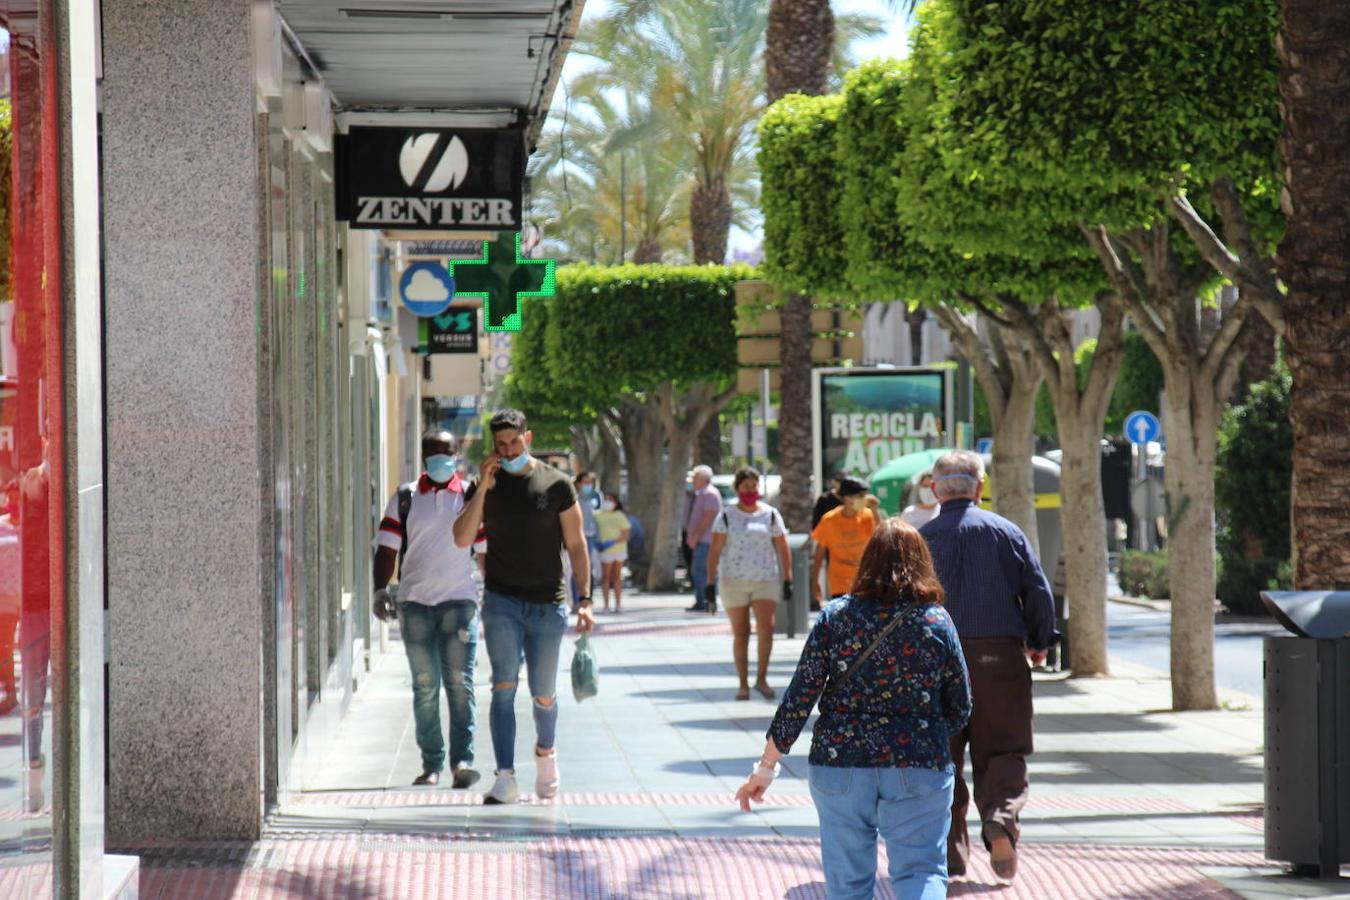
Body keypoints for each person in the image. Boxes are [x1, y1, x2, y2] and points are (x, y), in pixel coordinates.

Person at [736, 517, 971, 900]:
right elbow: (960, 706)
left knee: (848, 884)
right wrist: (922, 729)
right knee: (921, 871)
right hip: (917, 761)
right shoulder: (935, 621)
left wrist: (766, 766)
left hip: (840, 761)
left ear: (868, 560)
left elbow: (800, 697)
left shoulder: (836, 617)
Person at [919, 450, 1057, 882]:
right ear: (980, 488)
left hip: (936, 660)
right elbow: (1038, 592)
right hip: (999, 655)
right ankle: (1000, 818)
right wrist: (1038, 642)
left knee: (942, 757)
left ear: (935, 490)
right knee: (1004, 748)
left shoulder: (919, 539)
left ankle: (950, 855)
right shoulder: (1006, 532)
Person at [453, 409, 595, 805]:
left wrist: (586, 600)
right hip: (501, 601)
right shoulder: (486, 485)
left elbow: (578, 545)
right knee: (502, 686)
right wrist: (481, 488)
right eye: (501, 444)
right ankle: (505, 777)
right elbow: (461, 538)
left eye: (514, 442)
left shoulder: (557, 483)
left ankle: (546, 755)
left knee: (544, 693)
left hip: (548, 604)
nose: (508, 449)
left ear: (527, 437)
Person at [372, 430, 482, 789]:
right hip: (415, 604)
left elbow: (484, 552)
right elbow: (387, 548)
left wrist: (496, 593)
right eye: (432, 453)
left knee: (460, 684)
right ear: (422, 457)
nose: (440, 459)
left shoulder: (469, 495)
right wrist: (379, 590)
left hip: (459, 603)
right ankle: (431, 764)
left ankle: (462, 761)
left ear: (456, 454)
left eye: (445, 452)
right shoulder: (405, 497)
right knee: (425, 685)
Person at [707, 466, 792, 701]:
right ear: (737, 489)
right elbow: (714, 552)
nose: (750, 491)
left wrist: (788, 578)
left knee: (767, 628)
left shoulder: (771, 514)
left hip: (765, 580)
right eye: (746, 487)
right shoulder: (726, 516)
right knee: (741, 632)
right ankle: (743, 683)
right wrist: (708, 584)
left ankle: (761, 679)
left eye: (754, 486)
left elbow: (782, 547)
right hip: (733, 581)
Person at [810, 477, 877, 611]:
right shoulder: (829, 520)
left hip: (864, 581)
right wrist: (814, 583)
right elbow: (819, 554)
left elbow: (880, 539)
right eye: (861, 496)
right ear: (847, 498)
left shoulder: (867, 516)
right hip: (839, 583)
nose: (865, 499)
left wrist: (875, 511)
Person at [683, 465, 723, 612]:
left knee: (701, 571)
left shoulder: (709, 494)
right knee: (699, 570)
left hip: (706, 540)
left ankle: (706, 601)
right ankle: (702, 599)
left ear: (702, 478)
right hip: (702, 540)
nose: (692, 481)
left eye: (695, 477)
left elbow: (709, 516)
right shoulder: (701, 494)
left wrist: (695, 536)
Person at [594, 493, 631, 613]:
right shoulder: (598, 516)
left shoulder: (620, 515)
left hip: (619, 550)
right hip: (605, 551)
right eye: (606, 499)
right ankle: (606, 606)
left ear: (615, 503)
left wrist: (613, 542)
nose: (607, 502)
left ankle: (618, 604)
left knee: (617, 577)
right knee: (605, 577)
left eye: (610, 499)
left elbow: (626, 534)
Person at [573, 471, 602, 607]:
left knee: (588, 568)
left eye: (590, 482)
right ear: (578, 484)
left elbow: (599, 518)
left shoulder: (596, 497)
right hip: (576, 536)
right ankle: (575, 599)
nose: (588, 485)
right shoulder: (573, 498)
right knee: (575, 569)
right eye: (585, 482)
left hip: (591, 537)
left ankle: (587, 598)